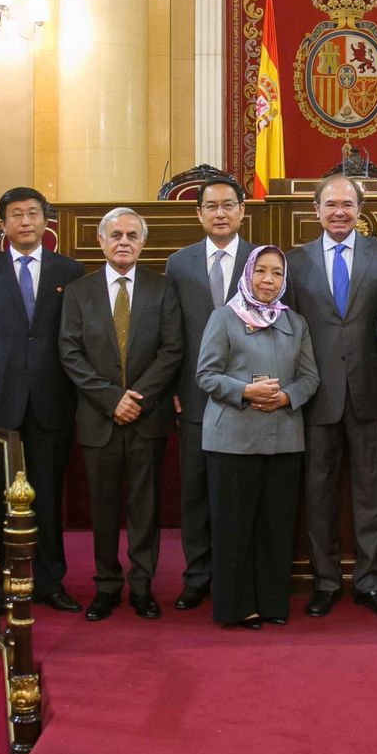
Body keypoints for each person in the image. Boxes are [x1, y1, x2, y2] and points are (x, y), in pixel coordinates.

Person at [0, 187, 85, 612]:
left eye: (33, 214)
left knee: (48, 496)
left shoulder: (70, 271)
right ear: (4, 223)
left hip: (53, 401)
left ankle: (50, 582)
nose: (26, 222)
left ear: (46, 221)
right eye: (16, 214)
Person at [58, 208, 184, 621]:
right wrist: (112, 398)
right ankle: (107, 586)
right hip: (100, 417)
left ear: (143, 242)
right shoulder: (79, 291)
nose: (124, 241)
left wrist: (138, 397)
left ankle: (143, 587)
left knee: (145, 508)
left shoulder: (163, 288)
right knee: (105, 507)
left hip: (148, 418)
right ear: (101, 241)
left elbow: (172, 350)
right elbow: (70, 353)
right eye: (116, 234)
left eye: (132, 234)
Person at [284, 176, 377, 619]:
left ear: (359, 208)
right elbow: (288, 333)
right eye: (330, 204)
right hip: (315, 396)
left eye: (347, 204)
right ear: (315, 210)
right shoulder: (294, 262)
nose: (338, 211)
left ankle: (372, 583)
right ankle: (326, 581)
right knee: (318, 494)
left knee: (372, 492)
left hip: (371, 392)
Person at [197, 246, 320, 628]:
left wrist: (285, 396)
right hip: (232, 439)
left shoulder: (294, 322)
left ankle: (271, 602)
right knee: (234, 527)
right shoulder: (225, 317)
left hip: (283, 437)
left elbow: (310, 378)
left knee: (275, 527)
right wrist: (245, 391)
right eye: (261, 272)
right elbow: (205, 374)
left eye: (277, 274)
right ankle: (236, 607)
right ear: (247, 274)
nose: (268, 280)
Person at [164, 176, 255, 610]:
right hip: (196, 395)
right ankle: (197, 574)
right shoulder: (178, 263)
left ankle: (236, 576)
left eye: (228, 205)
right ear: (198, 213)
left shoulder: (263, 260)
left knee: (239, 491)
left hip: (251, 397)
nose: (220, 213)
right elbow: (172, 334)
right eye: (211, 206)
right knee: (196, 490)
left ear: (242, 211)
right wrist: (176, 388)